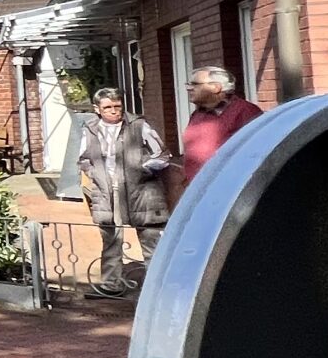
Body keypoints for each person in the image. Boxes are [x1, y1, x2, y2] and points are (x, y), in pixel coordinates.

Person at [77, 87, 172, 297]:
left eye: (117, 106)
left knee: (150, 238)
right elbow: (84, 158)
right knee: (111, 238)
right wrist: (95, 174)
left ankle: (157, 289)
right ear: (97, 109)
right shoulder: (90, 129)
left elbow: (163, 155)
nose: (113, 111)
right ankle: (112, 284)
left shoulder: (139, 125)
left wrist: (142, 168)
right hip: (107, 193)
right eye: (108, 107)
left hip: (141, 191)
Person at [179, 66, 262, 183]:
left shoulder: (245, 112)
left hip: (229, 188)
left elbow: (256, 154)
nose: (189, 89)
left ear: (216, 87)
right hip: (197, 190)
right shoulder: (198, 114)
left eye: (195, 84)